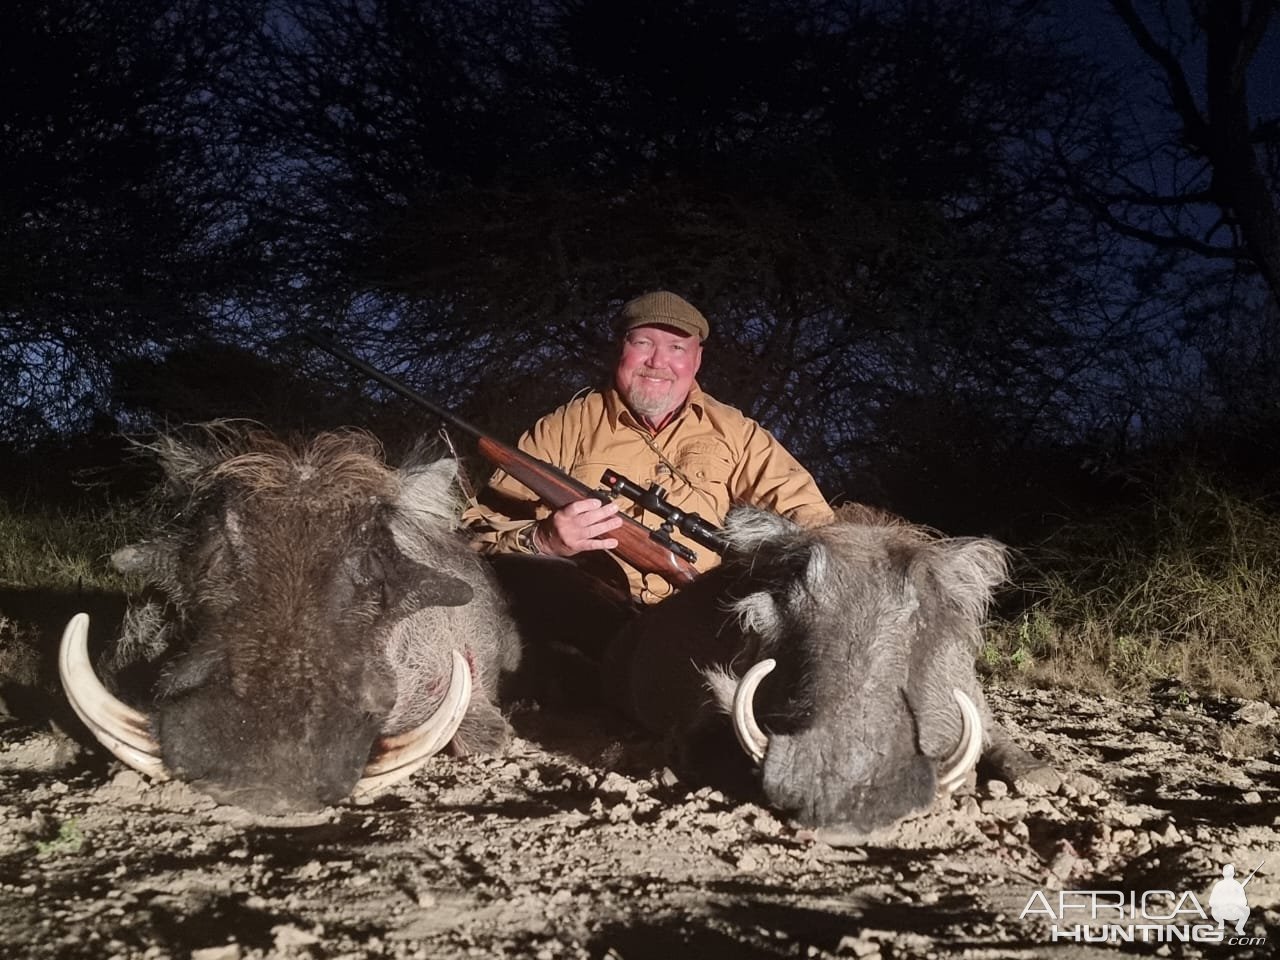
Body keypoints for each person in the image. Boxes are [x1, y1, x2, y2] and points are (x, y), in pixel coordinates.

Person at [463, 290, 833, 605]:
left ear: (697, 359)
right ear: (620, 349)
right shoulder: (564, 426)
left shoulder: (736, 432)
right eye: (643, 343)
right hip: (579, 614)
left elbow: (815, 524)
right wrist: (543, 540)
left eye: (676, 347)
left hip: (699, 617)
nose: (658, 362)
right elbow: (476, 535)